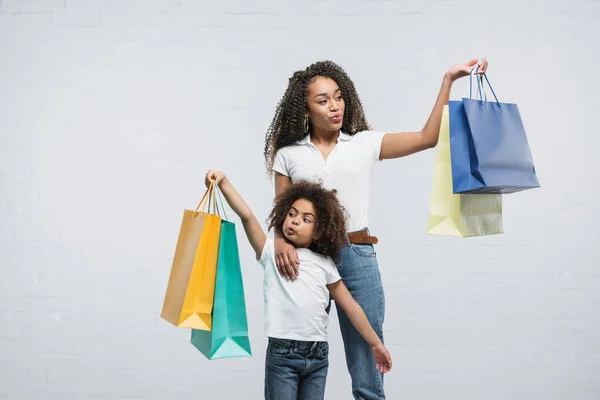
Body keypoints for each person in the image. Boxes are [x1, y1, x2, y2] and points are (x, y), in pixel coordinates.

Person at [264, 58, 488, 399]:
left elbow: (428, 138)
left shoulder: (364, 144)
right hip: (305, 260)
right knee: (297, 351)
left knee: (367, 369)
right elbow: (282, 213)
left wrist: (448, 81)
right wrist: (280, 241)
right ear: (305, 111)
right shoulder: (288, 155)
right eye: (322, 101)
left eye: (338, 97)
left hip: (356, 255)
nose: (334, 106)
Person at [204, 170, 392, 400]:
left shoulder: (326, 265)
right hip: (282, 356)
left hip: (318, 357)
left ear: (320, 231)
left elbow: (351, 306)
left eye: (306, 219)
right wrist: (224, 183)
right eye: (292, 214)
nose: (294, 220)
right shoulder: (271, 252)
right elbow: (247, 216)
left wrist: (375, 344)